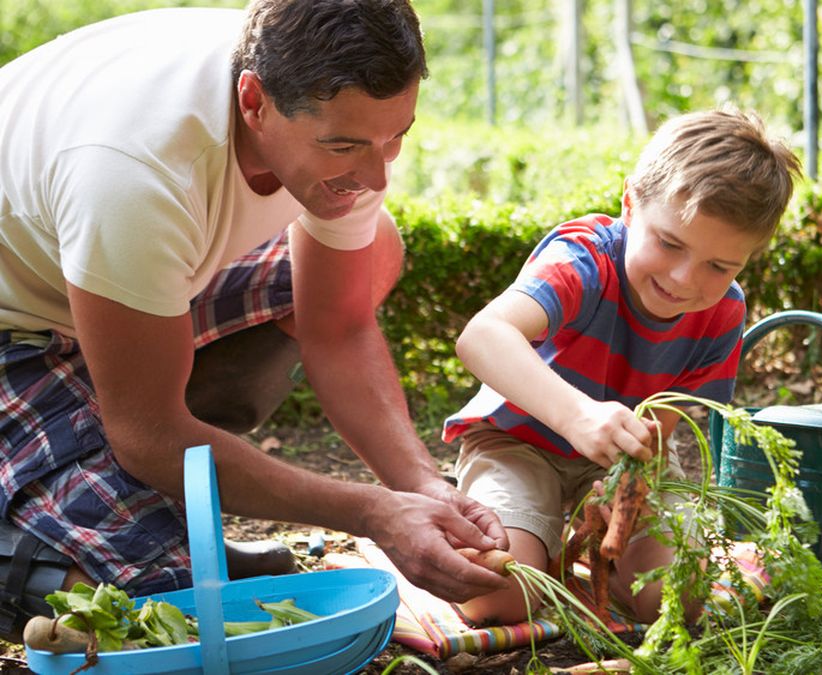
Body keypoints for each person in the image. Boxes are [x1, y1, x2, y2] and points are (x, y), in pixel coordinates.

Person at [0, 0, 509, 641]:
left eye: (397, 135)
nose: (378, 171)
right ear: (253, 102)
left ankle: (152, 485)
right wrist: (374, 513)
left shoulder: (338, 113)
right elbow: (147, 431)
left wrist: (421, 487)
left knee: (373, 247)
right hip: (19, 323)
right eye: (344, 145)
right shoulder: (136, 173)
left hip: (118, 279)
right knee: (162, 603)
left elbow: (340, 327)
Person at [442, 108, 802, 625]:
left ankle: (568, 546)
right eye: (669, 243)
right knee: (496, 596)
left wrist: (625, 486)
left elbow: (660, 430)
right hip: (518, 441)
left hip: (623, 461)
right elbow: (482, 336)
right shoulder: (583, 261)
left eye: (719, 266)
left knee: (674, 601)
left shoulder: (723, 314)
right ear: (630, 204)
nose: (683, 278)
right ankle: (529, 538)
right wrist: (576, 417)